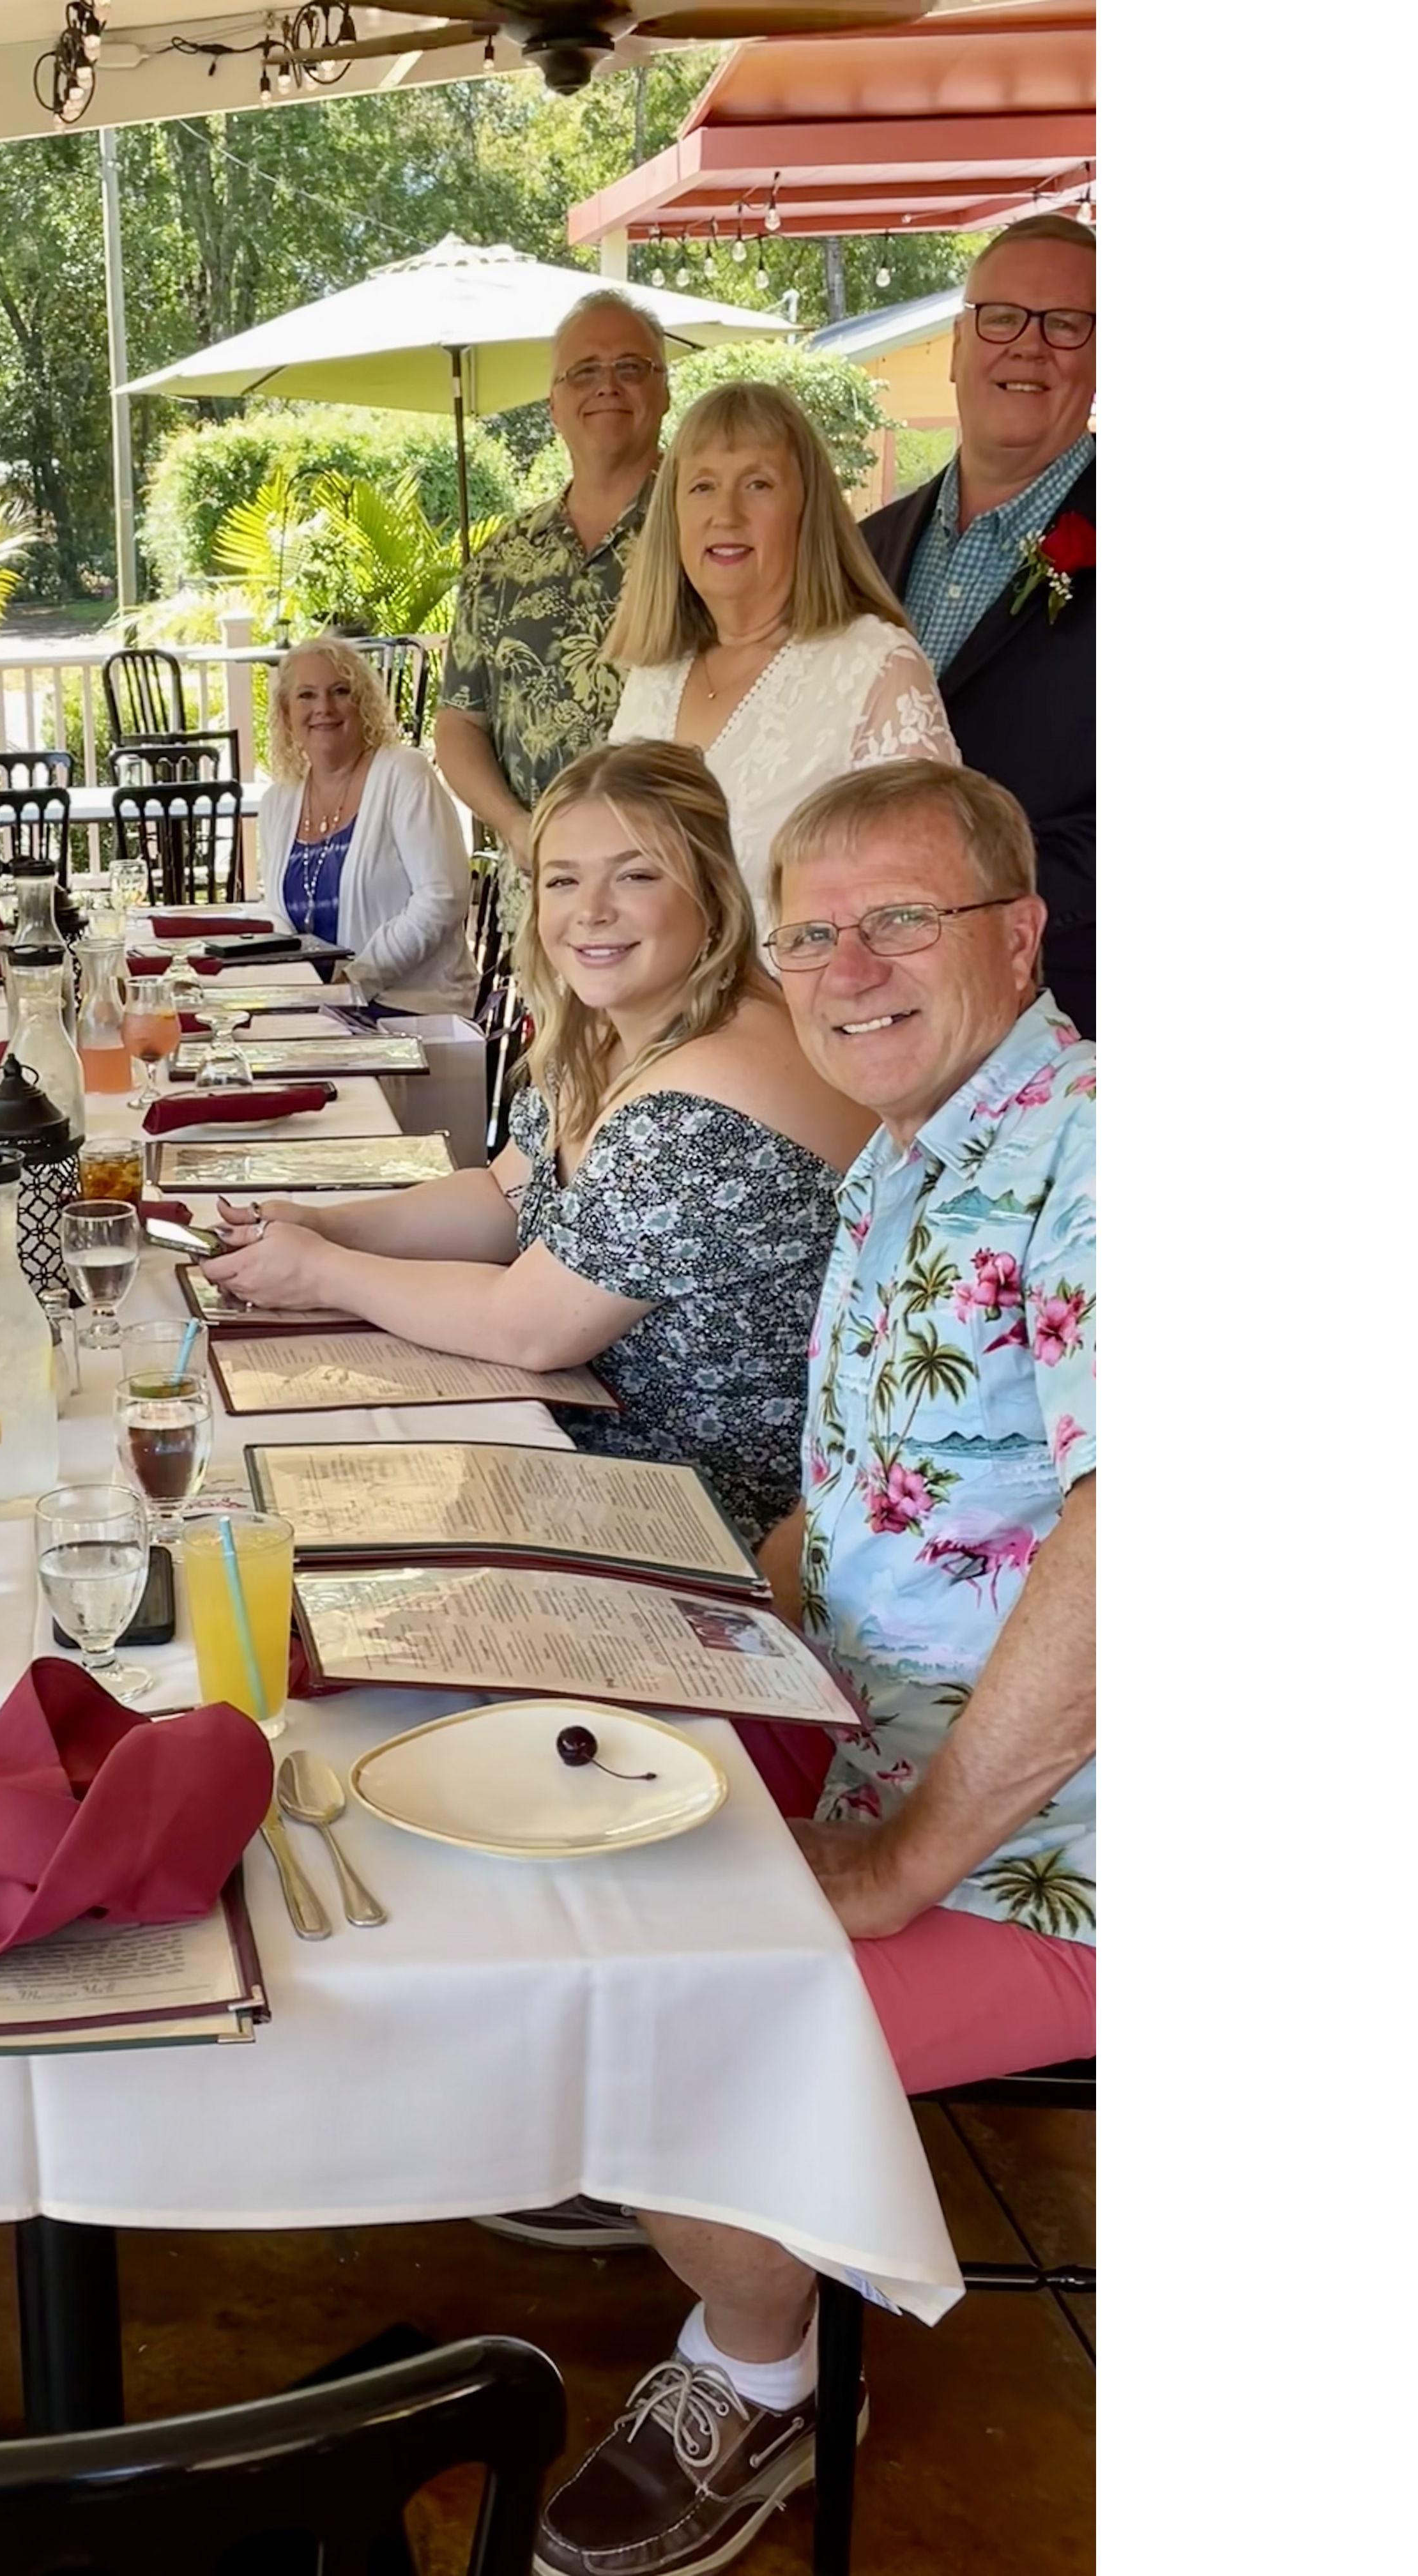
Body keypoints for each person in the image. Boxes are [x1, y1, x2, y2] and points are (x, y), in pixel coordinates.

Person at [531, 759, 1094, 2576]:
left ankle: (761, 2375)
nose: (848, 967)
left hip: (1062, 1846)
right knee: (524, 1805)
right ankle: (756, 2224)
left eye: (901, 921)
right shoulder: (916, 1145)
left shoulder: (1103, 1155)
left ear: (1020, 929)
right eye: (817, 932)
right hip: (877, 1725)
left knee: (645, 2024)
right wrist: (670, 1620)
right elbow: (862, 1502)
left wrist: (914, 1856)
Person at [201, 739, 873, 1546]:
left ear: (712, 891)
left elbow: (529, 1327)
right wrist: (327, 1225)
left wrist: (325, 1273)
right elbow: (501, 1195)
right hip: (587, 1439)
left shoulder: (708, 1096)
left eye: (635, 875)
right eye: (563, 880)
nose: (590, 911)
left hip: (703, 1519)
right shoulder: (619, 1036)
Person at [857, 215, 1095, 1033]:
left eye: (1066, 324)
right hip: (864, 1012)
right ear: (959, 346)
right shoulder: (861, 552)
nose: (1028, 347)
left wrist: (978, 908)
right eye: (1001, 318)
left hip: (1064, 1018)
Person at [606, 379, 956, 927]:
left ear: (807, 510)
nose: (726, 513)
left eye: (758, 484)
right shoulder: (654, 673)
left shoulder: (874, 667)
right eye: (701, 487)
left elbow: (925, 908)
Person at [434, 289, 670, 856]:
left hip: (679, 882)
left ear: (665, 392)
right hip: (541, 891)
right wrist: (516, 826)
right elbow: (459, 723)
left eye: (630, 368)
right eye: (583, 372)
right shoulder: (502, 559)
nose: (607, 385)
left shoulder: (711, 534)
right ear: (553, 408)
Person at [255, 634, 474, 1016]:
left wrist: (356, 981)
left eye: (340, 691)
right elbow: (277, 916)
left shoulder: (404, 773)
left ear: (363, 704)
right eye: (306, 696)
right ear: (286, 714)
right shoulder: (279, 800)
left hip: (410, 1008)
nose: (324, 707)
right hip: (321, 1009)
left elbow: (443, 897)